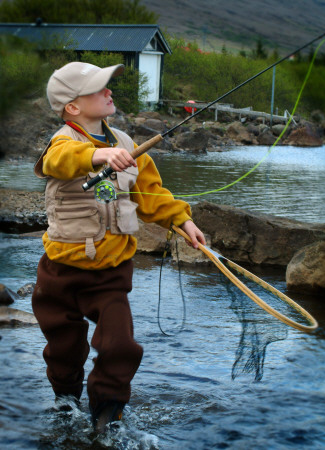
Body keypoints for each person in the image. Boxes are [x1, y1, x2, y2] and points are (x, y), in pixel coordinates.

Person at [32, 61, 206, 433]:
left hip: (111, 275)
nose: (110, 92)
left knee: (120, 346)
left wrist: (183, 221)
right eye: (99, 88)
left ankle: (108, 413)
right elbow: (59, 161)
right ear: (72, 108)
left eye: (108, 85)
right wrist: (99, 156)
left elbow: (152, 195)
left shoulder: (127, 144)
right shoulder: (62, 142)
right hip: (60, 273)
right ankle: (66, 400)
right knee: (64, 349)